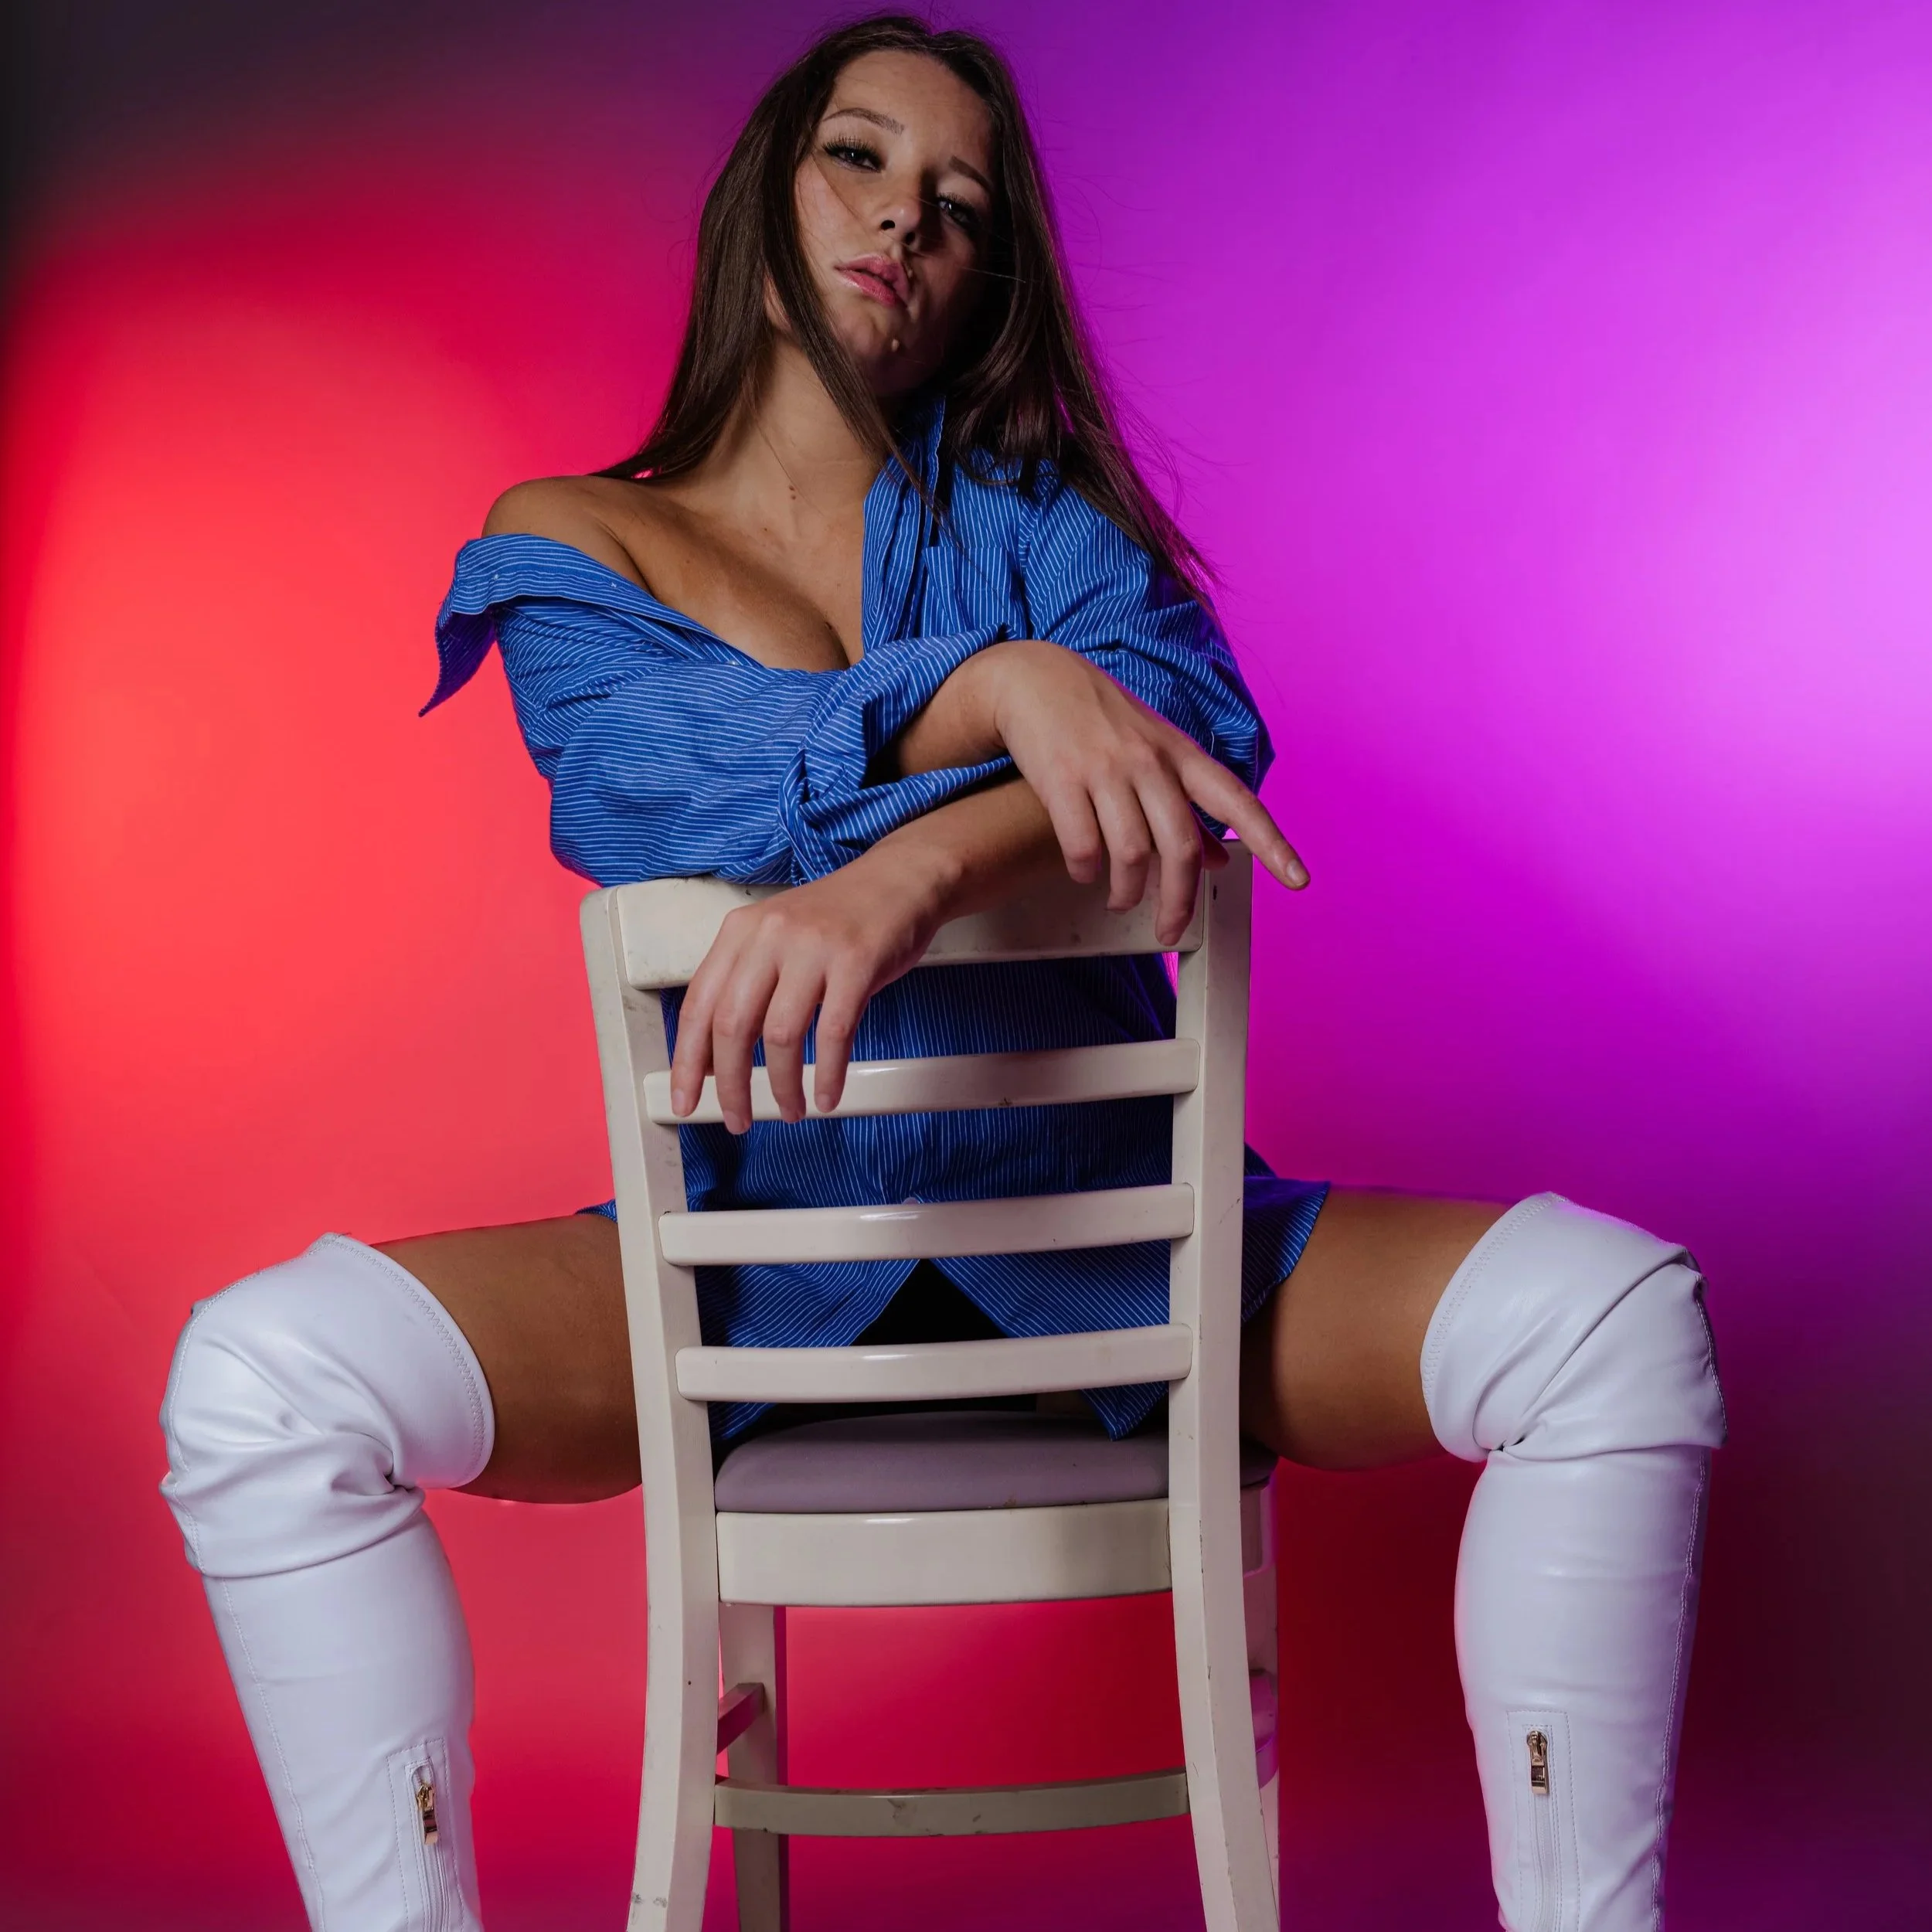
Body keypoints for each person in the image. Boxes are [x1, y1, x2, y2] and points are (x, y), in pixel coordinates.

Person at [158, 16, 1726, 1931]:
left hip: (1139, 1267)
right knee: (256, 1378)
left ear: (988, 284)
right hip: (735, 1280)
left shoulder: (1038, 524)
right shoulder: (573, 541)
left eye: (958, 204)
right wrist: (987, 692)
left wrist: (899, 876)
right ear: (766, 194)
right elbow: (652, 770)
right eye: (858, 160)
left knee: (1612, 1314)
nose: (903, 215)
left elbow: (1183, 723)